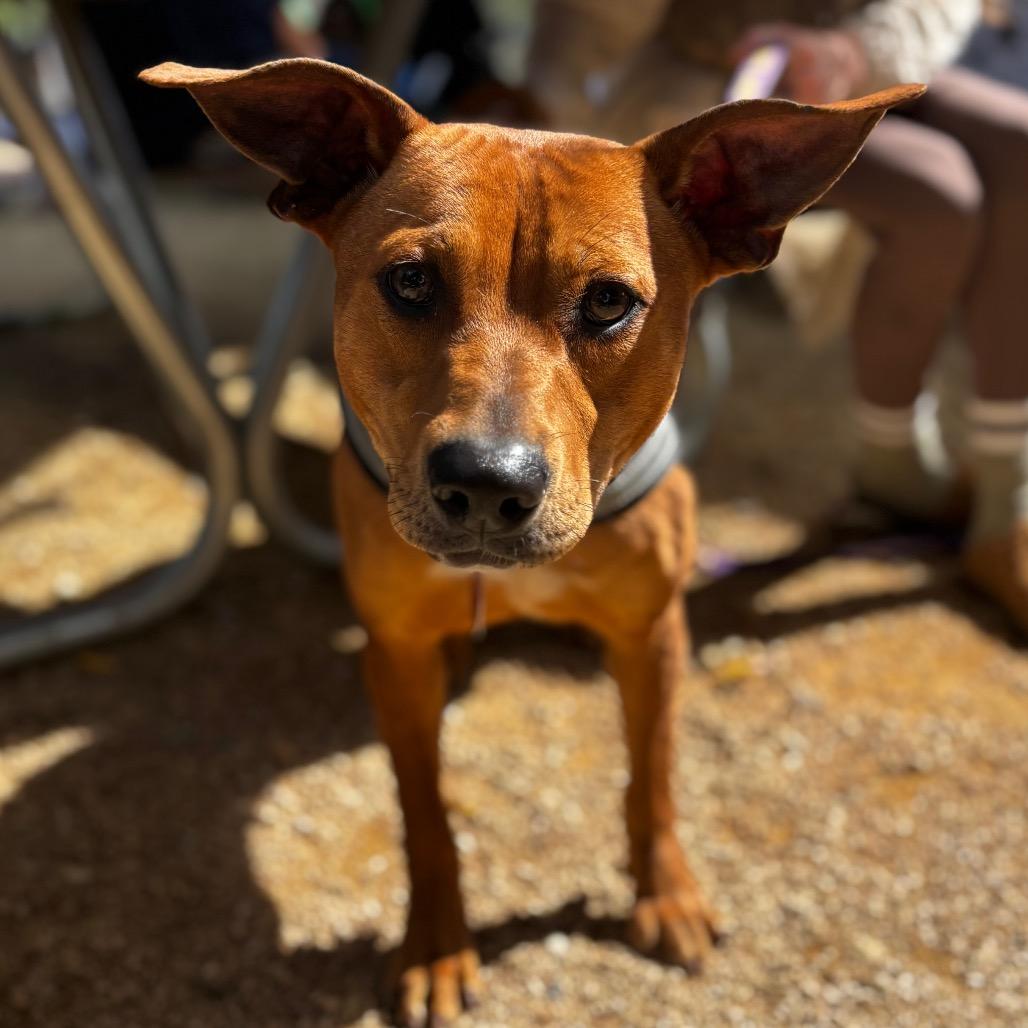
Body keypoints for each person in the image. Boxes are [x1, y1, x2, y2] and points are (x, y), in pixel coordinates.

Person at [529, 0, 1028, 633]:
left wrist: (850, 53)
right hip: (693, 82)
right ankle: (891, 464)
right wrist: (580, 167)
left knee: (1022, 148)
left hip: (858, 59)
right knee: (939, 195)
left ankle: (1008, 505)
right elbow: (588, 37)